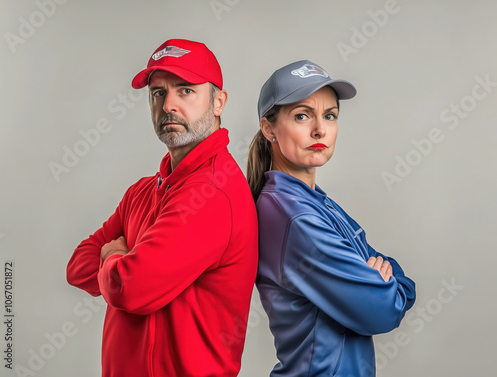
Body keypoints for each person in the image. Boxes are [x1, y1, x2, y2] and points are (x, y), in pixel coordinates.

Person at [66, 39, 258, 377]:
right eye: (158, 93)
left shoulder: (212, 192)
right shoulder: (143, 191)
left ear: (218, 102)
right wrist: (120, 268)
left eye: (185, 91)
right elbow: (78, 266)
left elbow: (130, 287)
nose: (168, 104)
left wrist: (113, 256)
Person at [247, 60, 416, 377]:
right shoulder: (292, 216)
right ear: (269, 127)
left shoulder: (315, 201)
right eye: (301, 116)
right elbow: (383, 309)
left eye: (330, 116)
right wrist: (386, 280)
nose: (319, 129)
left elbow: (388, 282)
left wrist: (388, 278)